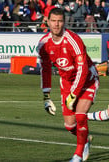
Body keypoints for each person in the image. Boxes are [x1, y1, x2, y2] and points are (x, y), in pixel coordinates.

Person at [37, 8, 99, 162]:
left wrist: (74, 94)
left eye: (59, 21)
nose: (56, 25)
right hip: (66, 82)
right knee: (70, 125)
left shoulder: (74, 40)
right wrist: (46, 95)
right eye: (53, 21)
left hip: (88, 80)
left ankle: (77, 155)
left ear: (64, 22)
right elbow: (45, 69)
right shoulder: (43, 44)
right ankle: (85, 139)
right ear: (48, 22)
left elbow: (82, 69)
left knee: (80, 114)